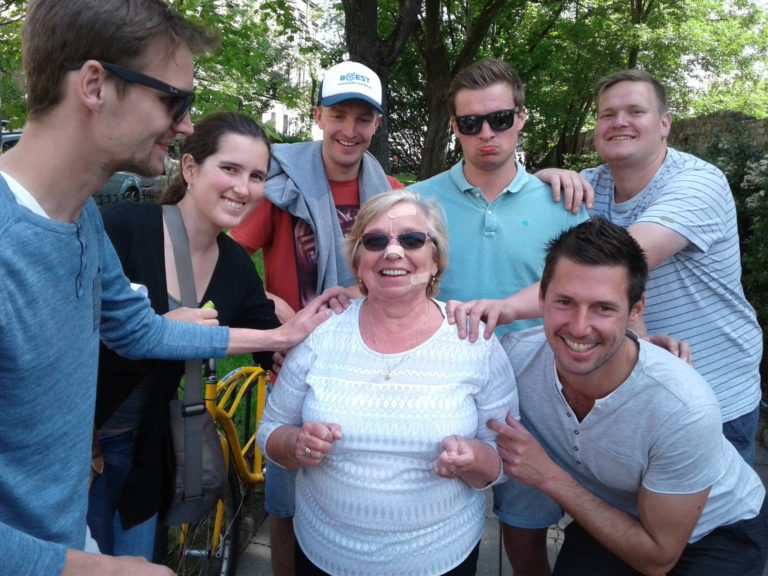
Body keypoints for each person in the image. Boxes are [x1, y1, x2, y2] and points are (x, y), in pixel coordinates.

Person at [0, 2, 342, 575]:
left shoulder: (81, 220)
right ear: (94, 85)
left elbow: (140, 332)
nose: (186, 125)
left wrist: (284, 334)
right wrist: (100, 568)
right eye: (173, 101)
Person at [257, 190, 518, 576]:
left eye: (411, 239)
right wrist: (296, 444)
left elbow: (504, 456)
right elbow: (270, 431)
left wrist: (474, 459)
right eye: (376, 241)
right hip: (326, 553)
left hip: (439, 557)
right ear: (358, 263)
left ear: (436, 261)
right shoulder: (321, 334)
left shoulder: (473, 341)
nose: (393, 252)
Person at [492, 217, 767, 576]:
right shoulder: (514, 360)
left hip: (718, 530)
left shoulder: (683, 406)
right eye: (565, 302)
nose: (579, 327)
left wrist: (548, 476)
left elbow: (658, 558)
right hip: (618, 507)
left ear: (635, 310)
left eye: (604, 308)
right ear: (541, 299)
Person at [533, 70, 763, 464]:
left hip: (712, 391)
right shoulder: (591, 185)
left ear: (664, 124)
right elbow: (519, 202)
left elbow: (615, 267)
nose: (619, 122)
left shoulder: (698, 184)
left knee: (706, 505)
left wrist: (500, 309)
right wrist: (543, 178)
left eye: (635, 111)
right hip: (634, 386)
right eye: (608, 115)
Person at [228, 59, 403, 574]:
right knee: (284, 505)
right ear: (318, 115)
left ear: (376, 124)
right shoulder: (279, 185)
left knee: (359, 491)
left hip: (369, 368)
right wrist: (272, 310)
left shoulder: (391, 191)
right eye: (339, 114)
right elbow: (227, 261)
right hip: (295, 368)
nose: (350, 130)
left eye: (363, 118)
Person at [87, 112, 280, 560]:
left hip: (147, 449)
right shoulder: (124, 227)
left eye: (256, 176)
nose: (243, 188)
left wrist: (331, 318)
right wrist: (157, 327)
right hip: (75, 446)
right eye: (229, 169)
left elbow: (272, 346)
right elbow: (61, 328)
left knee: (134, 565)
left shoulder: (235, 267)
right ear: (190, 168)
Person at [408, 58, 588, 335]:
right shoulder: (413, 202)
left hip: (536, 358)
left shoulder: (564, 204)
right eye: (470, 123)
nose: (486, 133)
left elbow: (588, 286)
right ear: (455, 126)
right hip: (440, 357)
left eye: (500, 119)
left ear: (521, 117)